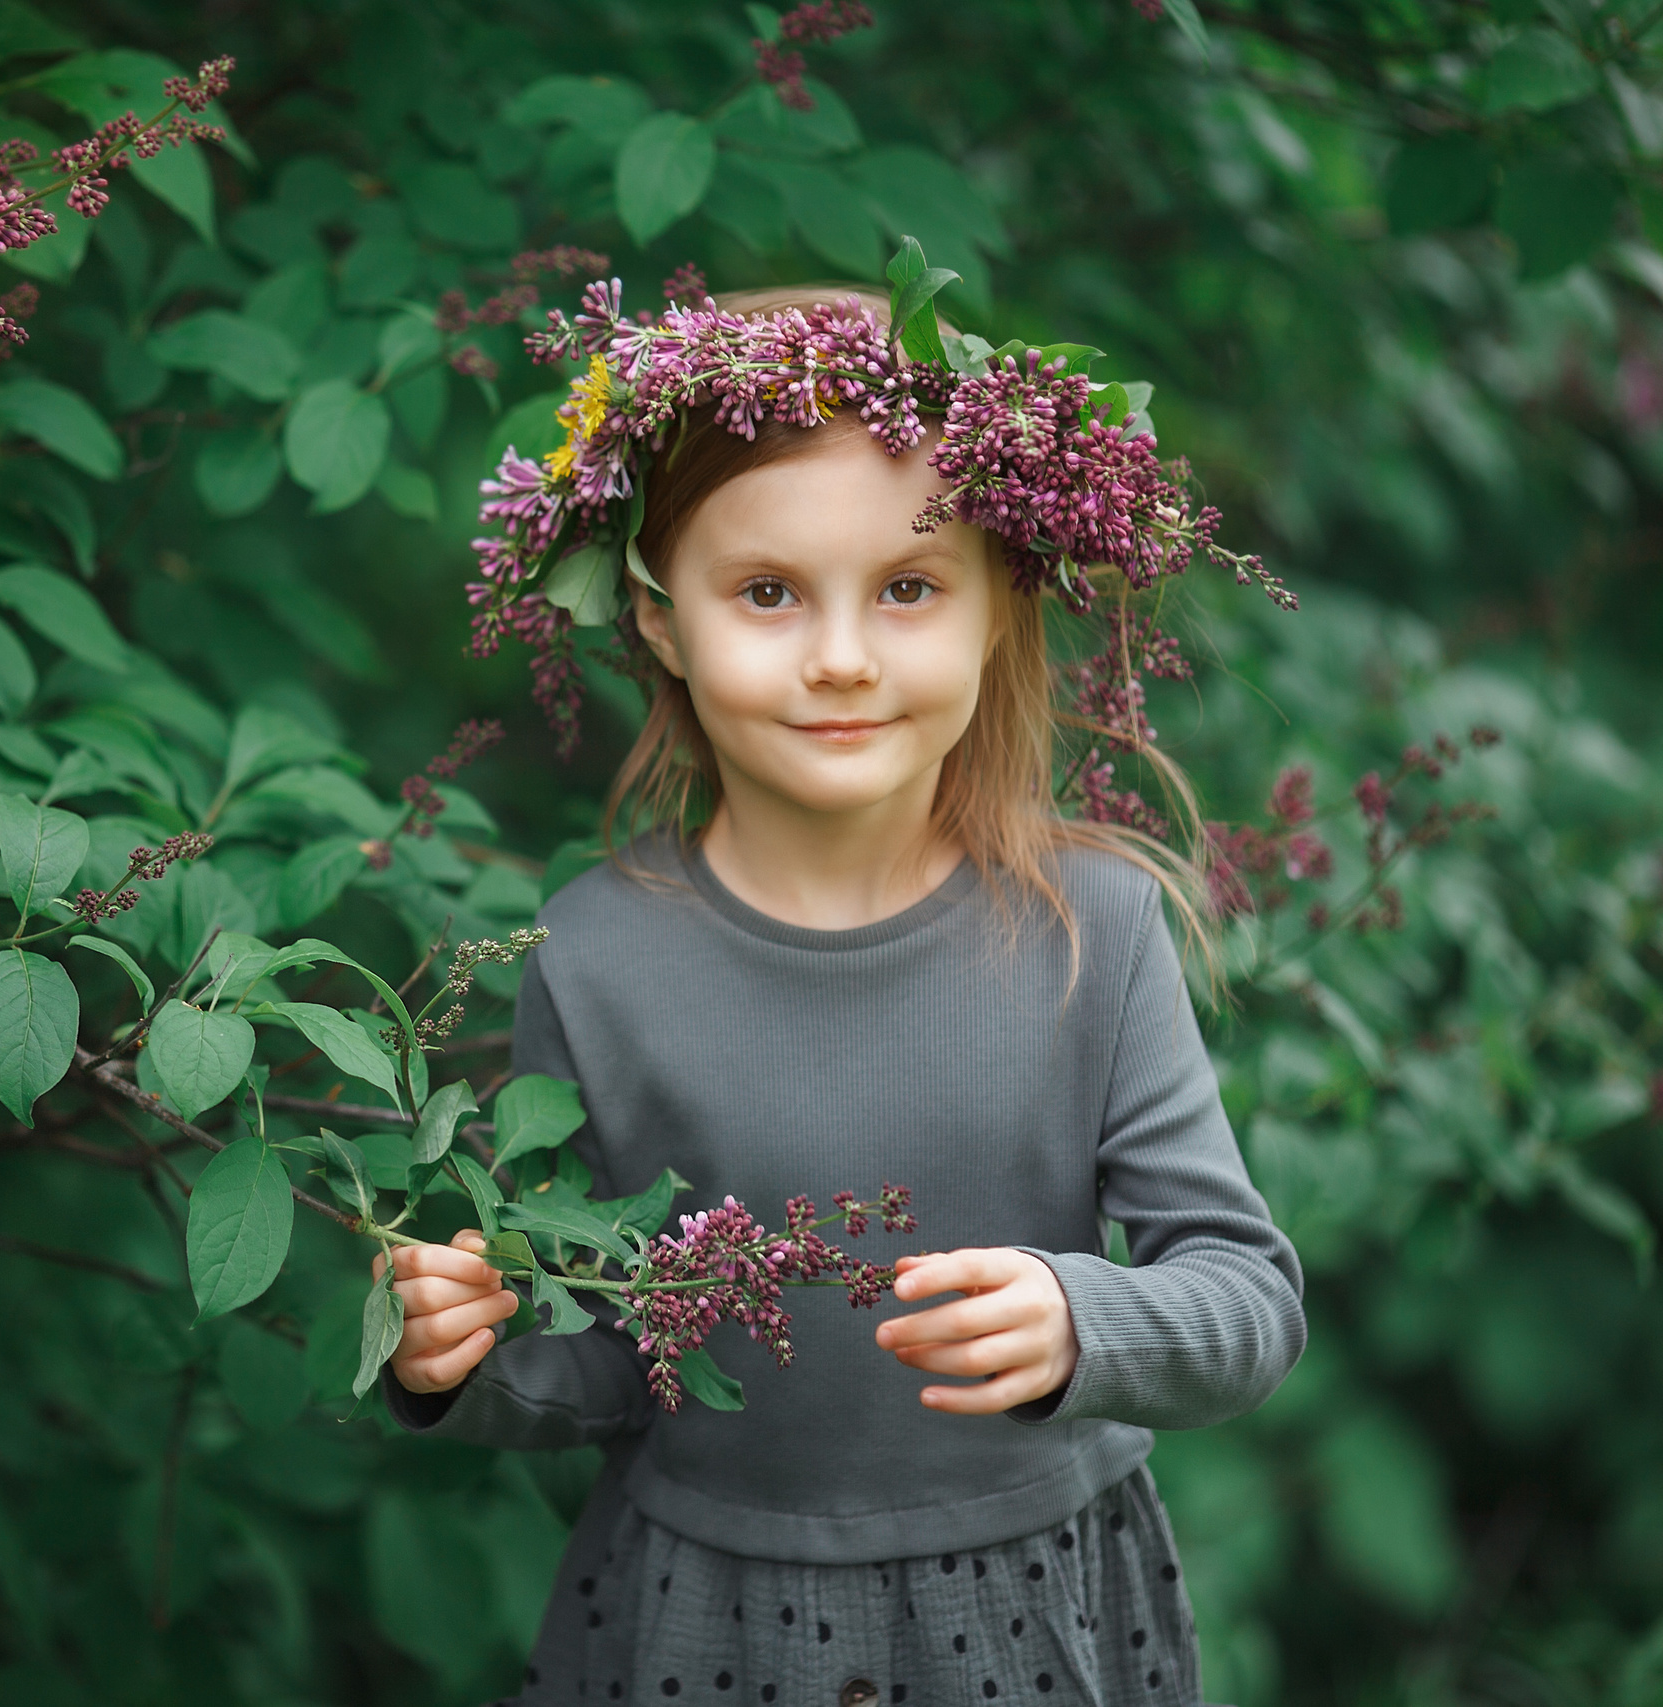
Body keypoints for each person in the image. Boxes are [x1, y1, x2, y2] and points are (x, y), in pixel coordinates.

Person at [376, 280, 1305, 1707]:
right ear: (662, 619)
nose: (842, 657)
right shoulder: (596, 954)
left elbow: (1247, 1301)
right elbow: (611, 1357)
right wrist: (457, 1351)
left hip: (1032, 1615)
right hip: (702, 1617)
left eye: (910, 588)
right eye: (766, 593)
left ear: (1002, 606)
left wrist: (1083, 1320)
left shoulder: (1093, 932)